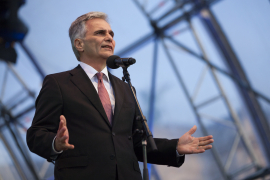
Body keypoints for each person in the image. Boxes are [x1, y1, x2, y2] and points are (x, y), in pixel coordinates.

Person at [26, 11, 214, 180]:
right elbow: (36, 134)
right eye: (100, 33)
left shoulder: (126, 88)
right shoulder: (58, 83)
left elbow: (136, 142)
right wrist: (55, 143)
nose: (109, 37)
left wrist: (174, 147)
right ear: (79, 44)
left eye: (111, 34)